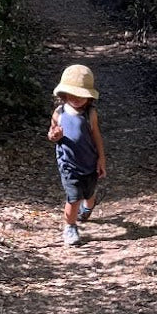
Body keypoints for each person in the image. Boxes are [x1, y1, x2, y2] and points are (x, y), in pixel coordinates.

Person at [47, 63, 106, 247]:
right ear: (64, 94)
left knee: (89, 193)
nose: (77, 99)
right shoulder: (59, 113)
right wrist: (55, 136)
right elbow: (52, 133)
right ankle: (70, 227)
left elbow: (96, 136)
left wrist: (101, 159)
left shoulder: (90, 114)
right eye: (72, 94)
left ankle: (87, 208)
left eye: (81, 95)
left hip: (89, 162)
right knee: (73, 198)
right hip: (68, 164)